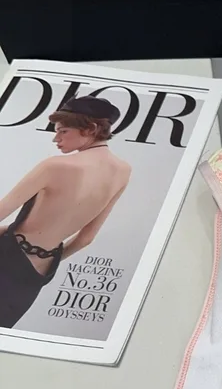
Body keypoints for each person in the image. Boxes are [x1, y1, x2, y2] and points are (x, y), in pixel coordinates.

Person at [0, 96, 131, 328]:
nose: (56, 138)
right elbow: (86, 239)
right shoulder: (123, 171)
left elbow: (3, 209)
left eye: (63, 131)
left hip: (7, 257)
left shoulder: (55, 166)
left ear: (90, 129)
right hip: (41, 272)